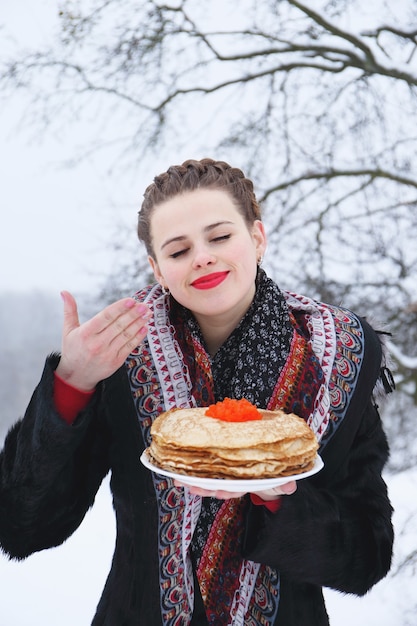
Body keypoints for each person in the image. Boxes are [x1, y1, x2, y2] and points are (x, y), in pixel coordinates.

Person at [0, 158, 394, 625]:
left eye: (220, 236)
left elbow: (366, 556)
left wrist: (277, 497)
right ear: (157, 269)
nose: (202, 256)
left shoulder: (336, 357)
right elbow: (23, 525)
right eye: (178, 249)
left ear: (257, 238)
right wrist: (73, 382)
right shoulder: (122, 354)